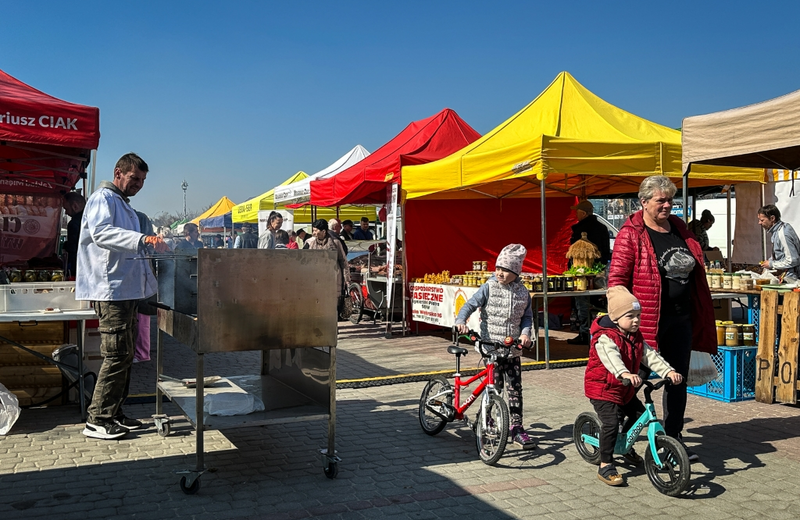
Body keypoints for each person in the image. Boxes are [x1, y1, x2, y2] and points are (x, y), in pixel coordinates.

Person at [608, 175, 716, 462]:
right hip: (644, 323)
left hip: (681, 319)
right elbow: (616, 280)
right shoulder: (630, 233)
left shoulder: (680, 228)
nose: (667, 205)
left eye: (670, 200)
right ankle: (619, 433)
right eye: (661, 200)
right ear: (643, 202)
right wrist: (622, 318)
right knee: (636, 380)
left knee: (676, 379)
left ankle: (672, 439)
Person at [76, 153, 168, 440]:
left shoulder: (123, 205)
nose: (138, 185)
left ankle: (115, 412)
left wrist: (149, 250)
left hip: (125, 290)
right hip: (110, 290)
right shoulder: (103, 198)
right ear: (118, 172)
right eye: (134, 179)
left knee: (126, 355)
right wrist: (141, 239)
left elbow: (130, 247)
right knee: (116, 355)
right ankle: (98, 419)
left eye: (142, 181)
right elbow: (103, 234)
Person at [585, 286, 682, 486]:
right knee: (611, 423)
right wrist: (624, 373)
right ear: (615, 318)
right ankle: (605, 465)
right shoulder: (605, 337)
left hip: (624, 388)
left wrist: (668, 371)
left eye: (638, 315)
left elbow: (650, 356)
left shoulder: (635, 336)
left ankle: (625, 444)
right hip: (603, 389)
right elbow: (611, 358)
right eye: (631, 316)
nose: (636, 320)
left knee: (639, 415)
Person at [454, 244, 536, 449]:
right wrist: (461, 319)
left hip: (513, 349)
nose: (499, 272)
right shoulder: (488, 287)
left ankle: (517, 428)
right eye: (498, 268)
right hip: (491, 349)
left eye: (505, 269)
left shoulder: (523, 292)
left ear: (515, 272)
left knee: (515, 390)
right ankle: (487, 419)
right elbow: (470, 304)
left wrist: (526, 334)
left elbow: (527, 317)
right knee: (494, 388)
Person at [568, 200, 611, 345]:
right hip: (600, 271)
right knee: (600, 303)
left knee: (582, 303)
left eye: (577, 212)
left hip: (585, 273)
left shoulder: (583, 229)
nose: (575, 214)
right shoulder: (602, 228)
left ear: (584, 213)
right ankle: (603, 331)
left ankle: (585, 333)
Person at [304, 219, 350, 316]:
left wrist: (347, 279)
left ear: (324, 231)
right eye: (313, 230)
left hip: (334, 278)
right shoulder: (312, 244)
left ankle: (333, 328)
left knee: (333, 305)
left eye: (316, 230)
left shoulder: (336, 243)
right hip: (318, 280)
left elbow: (343, 261)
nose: (313, 233)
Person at [134, 210, 157, 363]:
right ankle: (141, 351)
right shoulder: (142, 216)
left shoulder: (139, 217)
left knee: (142, 315)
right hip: (141, 272)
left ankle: (142, 352)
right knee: (141, 316)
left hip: (140, 272)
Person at [758, 204, 800, 283]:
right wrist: (768, 263)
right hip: (785, 277)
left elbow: (793, 260)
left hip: (791, 279)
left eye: (762, 220)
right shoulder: (776, 232)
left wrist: (771, 264)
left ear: (772, 218)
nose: (759, 223)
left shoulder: (782, 233)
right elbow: (779, 255)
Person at [63, 191, 86, 278]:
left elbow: (73, 251)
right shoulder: (94, 219)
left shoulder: (74, 224)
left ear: (75, 206)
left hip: (78, 269)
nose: (66, 212)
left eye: (66, 209)